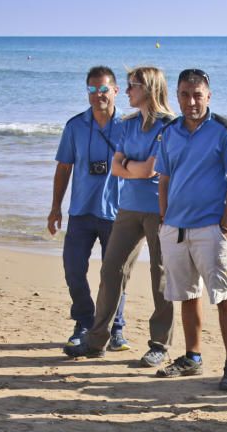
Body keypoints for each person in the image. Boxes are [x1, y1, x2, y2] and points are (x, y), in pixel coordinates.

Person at [69, 66, 175, 366]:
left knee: (160, 276)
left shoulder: (169, 126)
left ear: (150, 89)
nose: (127, 91)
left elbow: (150, 169)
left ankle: (159, 344)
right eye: (127, 86)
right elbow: (117, 167)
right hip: (127, 206)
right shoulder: (128, 125)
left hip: (159, 208)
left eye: (133, 86)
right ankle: (96, 340)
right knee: (111, 271)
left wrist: (131, 165)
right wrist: (132, 166)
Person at [154, 68, 227, 390]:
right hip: (175, 228)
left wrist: (225, 225)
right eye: (184, 94)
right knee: (187, 296)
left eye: (197, 95)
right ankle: (192, 357)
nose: (191, 101)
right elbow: (163, 178)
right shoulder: (168, 132)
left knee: (224, 296)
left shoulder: (225, 131)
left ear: (208, 95)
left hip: (211, 228)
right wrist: (164, 218)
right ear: (176, 96)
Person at [48, 66, 127, 357]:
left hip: (118, 213)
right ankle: (84, 321)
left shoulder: (128, 126)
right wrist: (55, 208)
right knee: (73, 269)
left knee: (114, 275)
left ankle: (115, 327)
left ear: (115, 91)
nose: (98, 96)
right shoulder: (75, 126)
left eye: (103, 89)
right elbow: (63, 167)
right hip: (81, 211)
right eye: (92, 90)